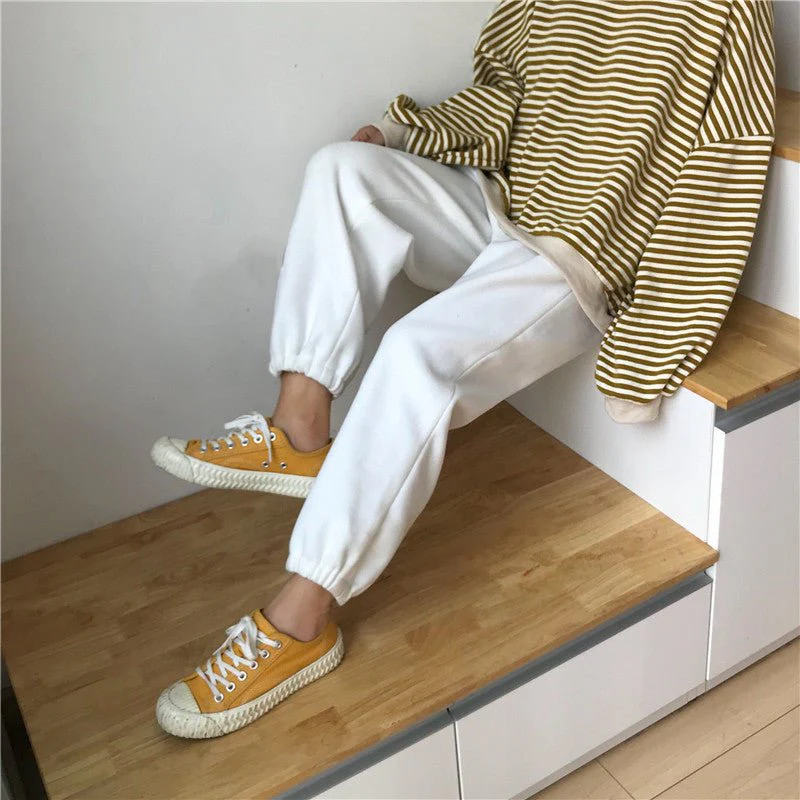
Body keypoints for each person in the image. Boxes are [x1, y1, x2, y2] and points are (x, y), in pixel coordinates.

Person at [151, 0, 775, 738]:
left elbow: (722, 173)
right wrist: (405, 135)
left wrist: (646, 354)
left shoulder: (726, 10)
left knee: (414, 353)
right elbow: (505, 94)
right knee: (341, 170)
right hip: (503, 206)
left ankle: (301, 618)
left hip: (577, 259)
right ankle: (299, 428)